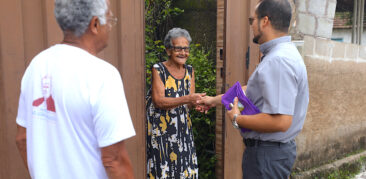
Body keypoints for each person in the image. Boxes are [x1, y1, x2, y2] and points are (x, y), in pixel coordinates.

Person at [15, 0, 136, 178]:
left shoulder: (36, 65)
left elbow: (22, 139)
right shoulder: (102, 75)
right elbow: (114, 160)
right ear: (95, 24)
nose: (110, 27)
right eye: (109, 20)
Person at [198, 0, 309, 178]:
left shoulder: (278, 61)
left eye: (252, 20)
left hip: (267, 157)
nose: (251, 26)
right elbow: (251, 90)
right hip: (268, 155)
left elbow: (281, 121)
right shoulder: (281, 54)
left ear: (265, 21)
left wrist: (237, 118)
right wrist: (213, 100)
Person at [146, 28, 205, 179]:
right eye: (178, 48)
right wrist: (188, 99)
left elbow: (190, 103)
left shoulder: (190, 71)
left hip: (183, 132)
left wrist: (198, 104)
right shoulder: (158, 69)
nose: (183, 52)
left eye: (186, 49)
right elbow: (159, 101)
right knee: (163, 172)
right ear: (168, 50)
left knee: (185, 172)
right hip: (163, 133)